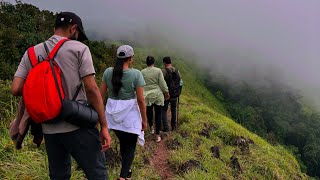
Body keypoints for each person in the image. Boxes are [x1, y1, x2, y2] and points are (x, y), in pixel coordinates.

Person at [10, 12, 111, 179]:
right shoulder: (80, 48)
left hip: (49, 128)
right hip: (79, 125)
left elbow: (15, 88)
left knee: (59, 176)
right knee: (97, 175)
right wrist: (104, 126)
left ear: (54, 28)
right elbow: (92, 89)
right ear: (73, 29)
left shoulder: (31, 53)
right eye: (78, 35)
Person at [100, 45, 147, 180]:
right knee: (130, 146)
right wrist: (144, 120)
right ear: (130, 58)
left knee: (123, 143)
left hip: (112, 115)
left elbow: (100, 95)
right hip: (130, 115)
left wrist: (100, 115)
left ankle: (128, 172)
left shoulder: (108, 72)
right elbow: (141, 100)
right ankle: (123, 177)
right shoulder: (136, 74)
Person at [141, 56, 170, 142]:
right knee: (158, 114)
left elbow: (141, 84)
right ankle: (157, 135)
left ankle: (152, 127)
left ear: (146, 63)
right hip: (157, 95)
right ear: (154, 62)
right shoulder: (158, 71)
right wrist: (166, 92)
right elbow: (162, 83)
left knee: (149, 112)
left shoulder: (142, 72)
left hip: (146, 96)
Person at [162, 56, 182, 131]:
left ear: (164, 63)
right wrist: (179, 91)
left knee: (164, 110)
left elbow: (161, 82)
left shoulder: (164, 71)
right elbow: (180, 81)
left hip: (166, 94)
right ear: (170, 62)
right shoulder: (177, 70)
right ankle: (173, 127)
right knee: (174, 109)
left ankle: (166, 128)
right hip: (175, 94)